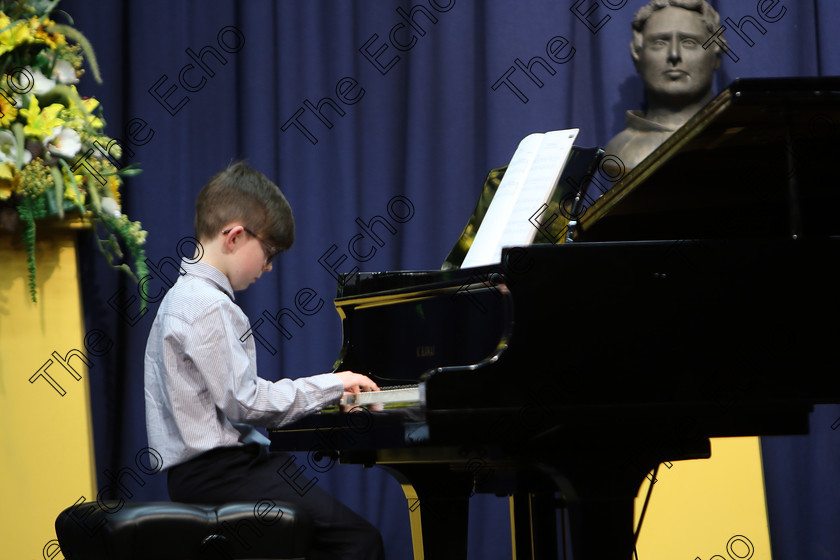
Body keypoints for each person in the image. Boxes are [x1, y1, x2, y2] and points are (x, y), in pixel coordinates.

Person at [144, 161, 385, 559]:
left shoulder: (179, 297)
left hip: (201, 476)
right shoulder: (208, 306)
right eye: (269, 251)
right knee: (358, 541)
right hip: (224, 474)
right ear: (235, 236)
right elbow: (247, 403)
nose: (270, 266)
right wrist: (334, 384)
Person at [604, 0, 728, 170]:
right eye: (660, 43)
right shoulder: (619, 151)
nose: (674, 54)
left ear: (716, 55)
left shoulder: (738, 142)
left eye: (689, 42)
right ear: (637, 55)